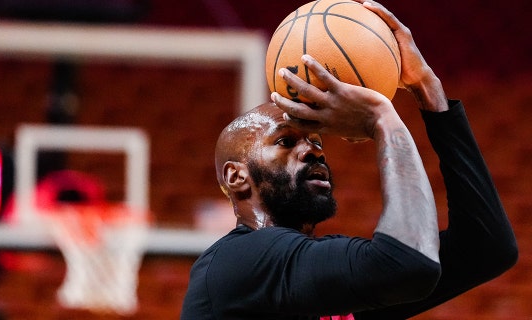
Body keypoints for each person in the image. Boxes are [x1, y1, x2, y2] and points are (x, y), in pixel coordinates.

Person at [180, 0, 518, 319]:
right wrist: (383, 119)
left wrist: (427, 88)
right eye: (285, 141)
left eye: (316, 139)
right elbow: (410, 264)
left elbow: (487, 249)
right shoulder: (238, 262)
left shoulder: (308, 283)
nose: (314, 150)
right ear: (236, 177)